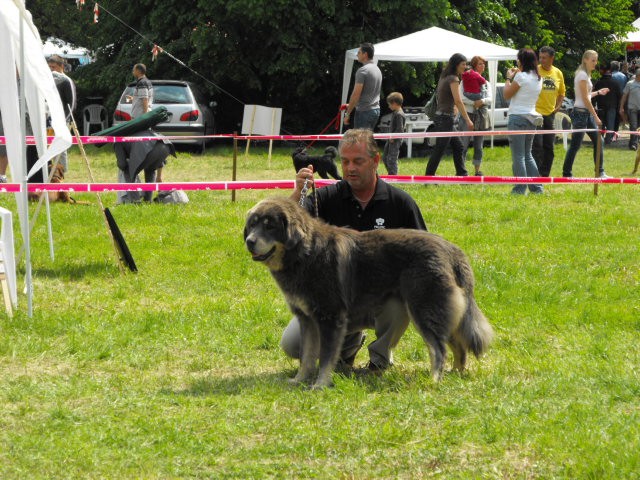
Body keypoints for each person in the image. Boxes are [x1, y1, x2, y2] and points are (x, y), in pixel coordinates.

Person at [282, 128, 427, 373]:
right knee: (292, 345)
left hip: (384, 298)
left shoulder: (400, 204)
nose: (350, 168)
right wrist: (298, 193)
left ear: (375, 161)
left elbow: (423, 256)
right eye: (345, 161)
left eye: (358, 161)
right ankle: (347, 348)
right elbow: (287, 226)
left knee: (402, 298)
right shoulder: (327, 198)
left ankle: (381, 357)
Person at [425, 53, 474, 177]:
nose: (465, 66)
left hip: (443, 117)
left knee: (459, 146)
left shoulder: (444, 75)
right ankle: (428, 177)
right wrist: (468, 120)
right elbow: (458, 100)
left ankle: (462, 175)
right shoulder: (453, 78)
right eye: (463, 64)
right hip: (446, 118)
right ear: (456, 65)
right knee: (440, 150)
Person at [562, 50, 609, 178]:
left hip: (585, 113)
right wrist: (596, 116)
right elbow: (585, 98)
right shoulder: (582, 75)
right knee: (576, 145)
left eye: (596, 60)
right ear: (585, 60)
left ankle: (600, 172)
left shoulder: (585, 75)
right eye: (593, 60)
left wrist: (598, 92)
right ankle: (567, 174)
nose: (595, 63)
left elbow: (586, 95)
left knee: (599, 141)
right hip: (581, 114)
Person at [503, 48, 544, 195]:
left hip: (518, 118)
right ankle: (537, 188)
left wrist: (508, 78)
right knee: (528, 154)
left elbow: (507, 95)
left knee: (518, 156)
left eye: (518, 59)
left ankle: (520, 189)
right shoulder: (538, 78)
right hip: (532, 118)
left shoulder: (521, 77)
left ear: (522, 61)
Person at [532, 46, 566, 177]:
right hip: (536, 113)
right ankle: (535, 174)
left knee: (549, 147)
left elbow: (562, 92)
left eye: (544, 58)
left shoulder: (558, 73)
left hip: (550, 114)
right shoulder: (535, 71)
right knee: (537, 145)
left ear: (552, 58)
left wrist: (557, 107)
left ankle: (545, 174)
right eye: (540, 57)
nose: (541, 60)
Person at [459, 56, 492, 176]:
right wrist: (474, 103)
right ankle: (461, 171)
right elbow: (461, 98)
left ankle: (477, 171)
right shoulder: (464, 81)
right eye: (479, 64)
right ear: (474, 66)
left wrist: (482, 101)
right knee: (463, 144)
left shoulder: (486, 82)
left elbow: (490, 99)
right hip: (467, 115)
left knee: (479, 146)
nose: (482, 66)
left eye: (483, 64)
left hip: (481, 116)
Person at [47, 54, 76, 171]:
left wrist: (63, 121)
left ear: (61, 66)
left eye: (53, 67)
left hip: (63, 120)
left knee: (60, 149)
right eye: (49, 67)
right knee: (48, 147)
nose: (51, 70)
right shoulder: (48, 80)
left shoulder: (66, 81)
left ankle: (60, 175)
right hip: (49, 120)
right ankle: (49, 173)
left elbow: (72, 104)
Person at [344, 43, 382, 131]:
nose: (357, 54)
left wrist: (347, 114)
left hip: (364, 112)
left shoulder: (363, 71)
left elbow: (356, 95)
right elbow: (369, 93)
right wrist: (352, 105)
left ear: (365, 54)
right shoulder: (377, 69)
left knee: (361, 142)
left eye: (359, 52)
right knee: (367, 141)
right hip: (375, 110)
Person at [593, 66, 622, 144]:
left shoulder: (598, 82)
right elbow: (619, 95)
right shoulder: (615, 83)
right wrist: (619, 105)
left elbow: (595, 95)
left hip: (601, 105)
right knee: (610, 123)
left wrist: (593, 104)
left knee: (601, 123)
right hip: (612, 106)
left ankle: (600, 138)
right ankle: (608, 140)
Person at [382, 92, 405, 175]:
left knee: (392, 159)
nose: (389, 106)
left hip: (395, 140)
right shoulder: (395, 113)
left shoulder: (399, 114)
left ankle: (394, 176)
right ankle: (391, 173)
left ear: (394, 103)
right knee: (385, 158)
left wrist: (393, 137)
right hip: (391, 138)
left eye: (390, 104)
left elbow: (400, 129)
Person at [619, 68, 640, 151]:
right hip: (632, 109)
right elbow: (624, 96)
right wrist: (621, 107)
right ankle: (633, 144)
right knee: (634, 127)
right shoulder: (630, 84)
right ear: (638, 76)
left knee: (639, 127)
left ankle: (637, 142)